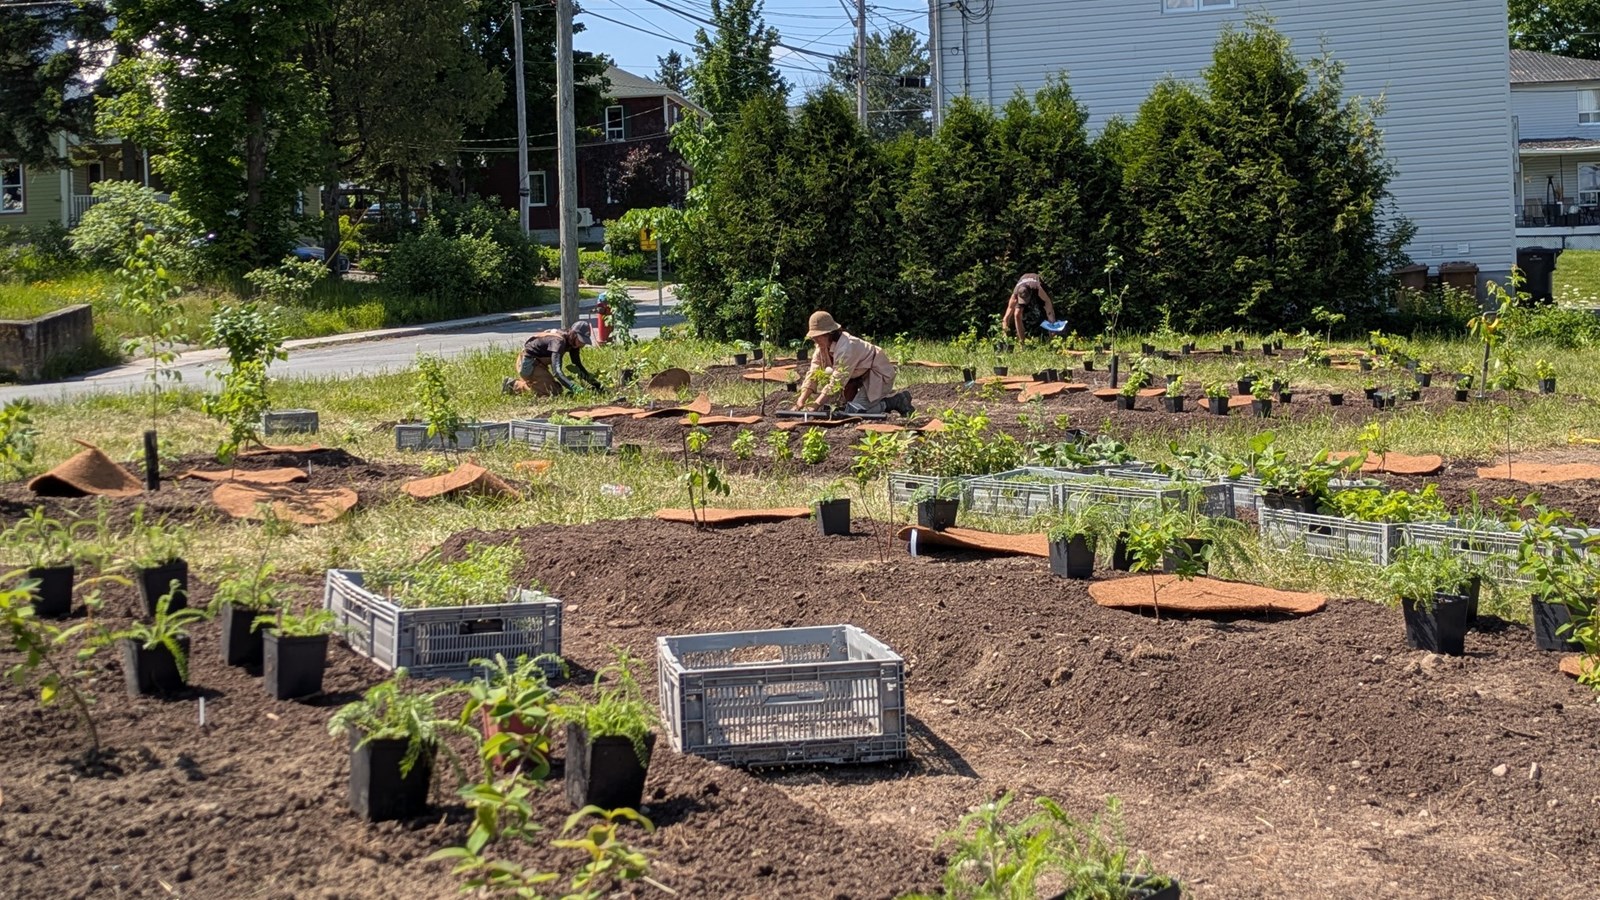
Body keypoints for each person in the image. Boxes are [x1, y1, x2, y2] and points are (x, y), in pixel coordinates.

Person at [794, 311, 914, 416]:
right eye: (813, 337)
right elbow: (813, 372)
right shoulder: (821, 347)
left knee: (853, 413)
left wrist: (815, 405)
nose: (815, 340)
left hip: (877, 374)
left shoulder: (846, 347)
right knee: (842, 407)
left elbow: (837, 380)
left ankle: (895, 402)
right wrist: (801, 400)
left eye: (818, 336)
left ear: (829, 334)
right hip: (857, 376)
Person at [504, 322, 602, 395]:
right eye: (580, 340)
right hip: (527, 364)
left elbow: (578, 365)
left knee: (557, 388)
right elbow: (557, 372)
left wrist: (597, 385)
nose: (582, 344)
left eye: (584, 342)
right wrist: (574, 388)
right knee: (552, 391)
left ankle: (533, 382)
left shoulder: (573, 344)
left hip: (538, 365)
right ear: (573, 334)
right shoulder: (559, 342)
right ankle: (513, 385)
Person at [1002, 273, 1060, 341]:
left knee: (1050, 314)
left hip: (1036, 287)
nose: (1025, 303)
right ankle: (1022, 344)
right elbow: (1006, 318)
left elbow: (1048, 303)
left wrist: (1052, 322)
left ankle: (1053, 341)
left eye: (1026, 300)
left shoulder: (1038, 289)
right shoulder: (1015, 295)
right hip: (1022, 285)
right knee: (1017, 314)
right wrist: (1004, 337)